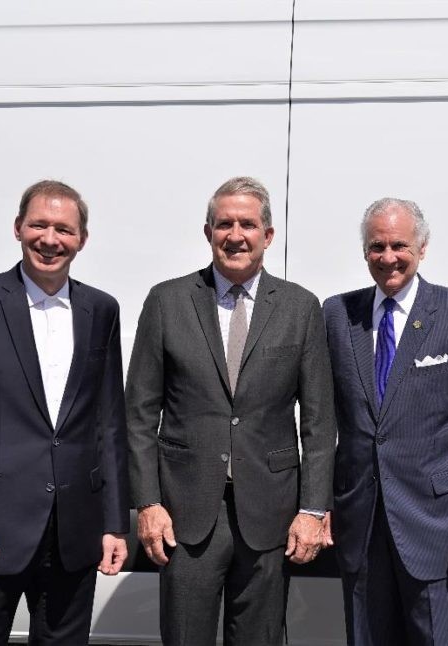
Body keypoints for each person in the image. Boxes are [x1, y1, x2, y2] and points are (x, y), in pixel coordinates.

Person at [125, 176, 336, 646]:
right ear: (208, 233)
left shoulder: (301, 308)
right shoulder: (167, 301)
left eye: (247, 224)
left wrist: (313, 508)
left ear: (268, 235)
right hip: (185, 513)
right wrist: (149, 503)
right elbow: (139, 415)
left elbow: (320, 424)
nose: (235, 235)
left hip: (271, 511)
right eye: (224, 224)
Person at [0, 180, 129, 644]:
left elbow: (109, 425)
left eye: (64, 229)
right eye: (38, 225)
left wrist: (114, 523)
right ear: (18, 228)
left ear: (82, 239)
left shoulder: (102, 309)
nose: (50, 239)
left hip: (74, 534)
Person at [322, 197, 448, 646]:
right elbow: (321, 416)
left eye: (399, 245)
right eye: (377, 247)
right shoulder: (336, 314)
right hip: (360, 521)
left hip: (437, 521)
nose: (388, 258)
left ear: (422, 248)